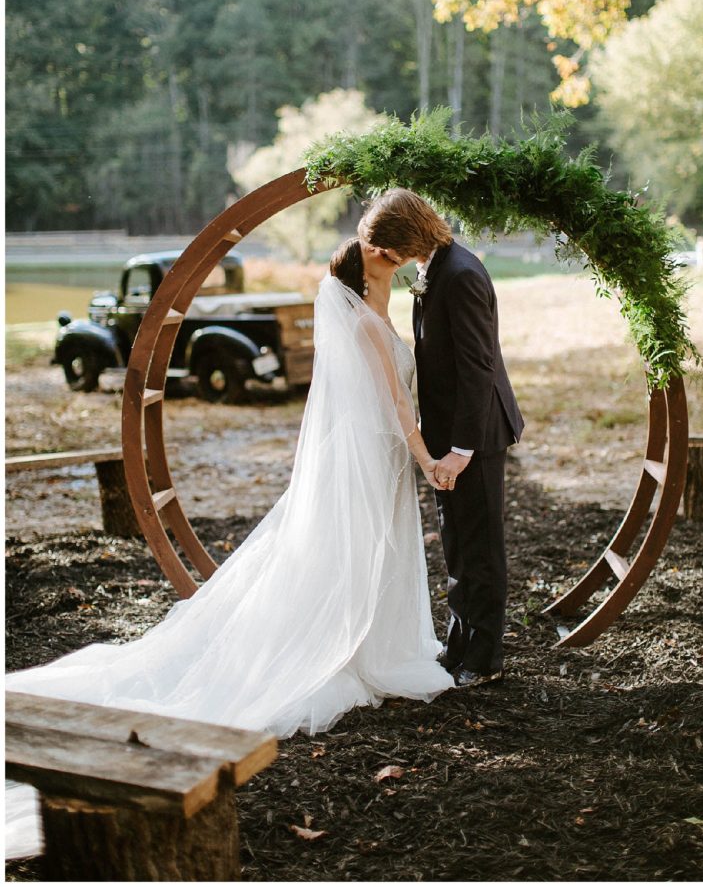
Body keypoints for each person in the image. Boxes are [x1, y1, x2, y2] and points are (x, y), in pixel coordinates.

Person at [5, 238, 454, 859]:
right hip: (372, 456)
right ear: (369, 266)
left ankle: (369, 630)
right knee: (358, 549)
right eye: (387, 253)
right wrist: (425, 455)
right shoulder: (371, 327)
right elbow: (399, 404)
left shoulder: (370, 316)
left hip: (363, 456)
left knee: (359, 549)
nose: (398, 258)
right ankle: (357, 641)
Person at [358, 188, 525, 689]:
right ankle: (458, 646)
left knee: (480, 548)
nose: (386, 259)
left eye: (388, 248)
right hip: (447, 433)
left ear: (405, 236)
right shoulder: (436, 268)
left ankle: (485, 658)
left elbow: (478, 368)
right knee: (455, 542)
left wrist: (459, 450)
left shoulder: (463, 274)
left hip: (474, 436)